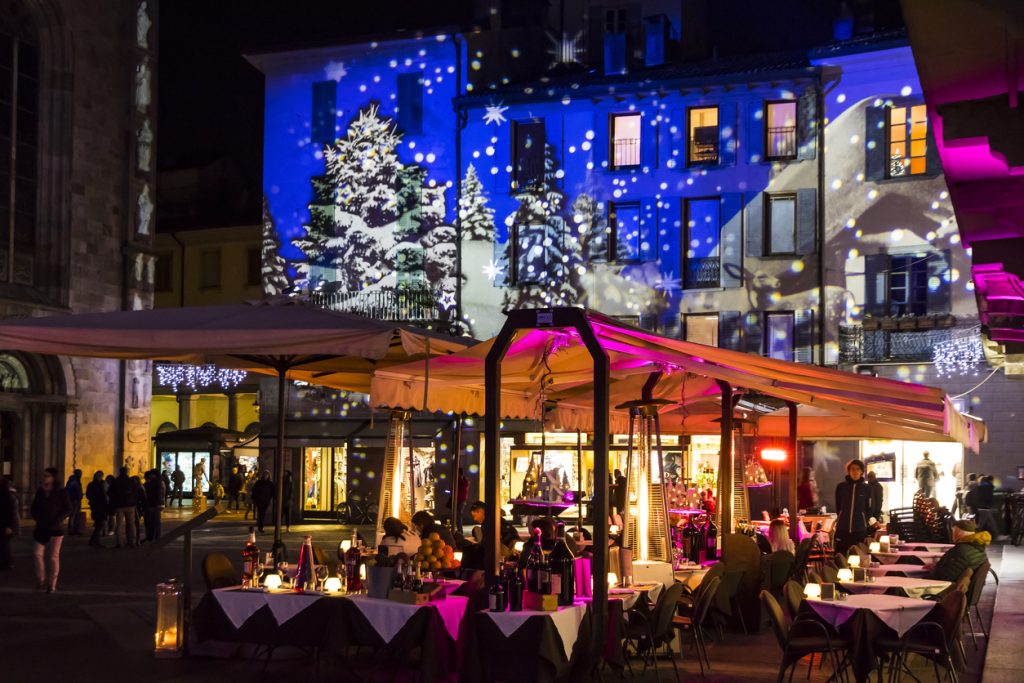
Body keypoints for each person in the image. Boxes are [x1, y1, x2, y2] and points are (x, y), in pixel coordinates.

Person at [30, 468, 70, 592]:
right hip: (41, 527)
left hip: (55, 528)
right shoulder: (40, 492)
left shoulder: (61, 492)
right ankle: (41, 580)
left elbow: (68, 508)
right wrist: (37, 517)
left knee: (53, 556)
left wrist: (58, 519)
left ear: (53, 477)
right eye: (43, 476)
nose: (44, 478)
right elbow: (34, 507)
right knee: (37, 554)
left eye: (47, 476)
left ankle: (52, 584)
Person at [834, 459, 871, 554]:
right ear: (849, 471)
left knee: (858, 556)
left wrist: (865, 522)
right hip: (842, 529)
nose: (855, 471)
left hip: (859, 529)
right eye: (852, 469)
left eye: (858, 469)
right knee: (840, 556)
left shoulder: (867, 489)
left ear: (862, 471)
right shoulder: (841, 487)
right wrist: (841, 517)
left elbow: (869, 508)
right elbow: (838, 506)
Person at [109, 467, 138, 548]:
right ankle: (132, 541)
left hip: (119, 505)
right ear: (127, 472)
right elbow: (136, 492)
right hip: (130, 505)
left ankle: (120, 542)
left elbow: (110, 493)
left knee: (119, 524)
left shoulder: (115, 481)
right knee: (131, 524)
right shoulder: (131, 481)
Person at [85, 471, 108, 548]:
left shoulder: (99, 484)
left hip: (99, 506)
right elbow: (88, 495)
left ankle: (93, 541)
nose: (100, 477)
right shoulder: (94, 484)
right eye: (99, 475)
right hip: (98, 506)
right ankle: (96, 542)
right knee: (99, 525)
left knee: (98, 525)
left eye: (101, 475)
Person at [143, 469, 165, 542]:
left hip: (154, 504)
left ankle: (154, 537)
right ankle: (156, 537)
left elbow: (157, 494)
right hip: (157, 504)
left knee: (153, 521)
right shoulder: (159, 482)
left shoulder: (155, 483)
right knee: (155, 521)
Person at [0, 477, 14, 569]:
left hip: (4, 523)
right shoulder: (6, 494)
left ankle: (6, 563)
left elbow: (9, 511)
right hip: (4, 523)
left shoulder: (5, 494)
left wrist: (9, 526)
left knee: (4, 544)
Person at [65, 469, 83, 536]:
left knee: (76, 515)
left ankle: (76, 529)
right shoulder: (73, 480)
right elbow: (69, 489)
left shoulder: (77, 480)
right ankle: (71, 530)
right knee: (73, 515)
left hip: (77, 500)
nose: (81, 475)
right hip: (74, 500)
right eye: (80, 473)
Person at [451, 468, 470, 534]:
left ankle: (459, 530)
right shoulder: (464, 480)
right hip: (461, 500)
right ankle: (459, 530)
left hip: (460, 500)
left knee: (458, 515)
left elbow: (462, 488)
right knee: (458, 515)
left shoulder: (461, 480)